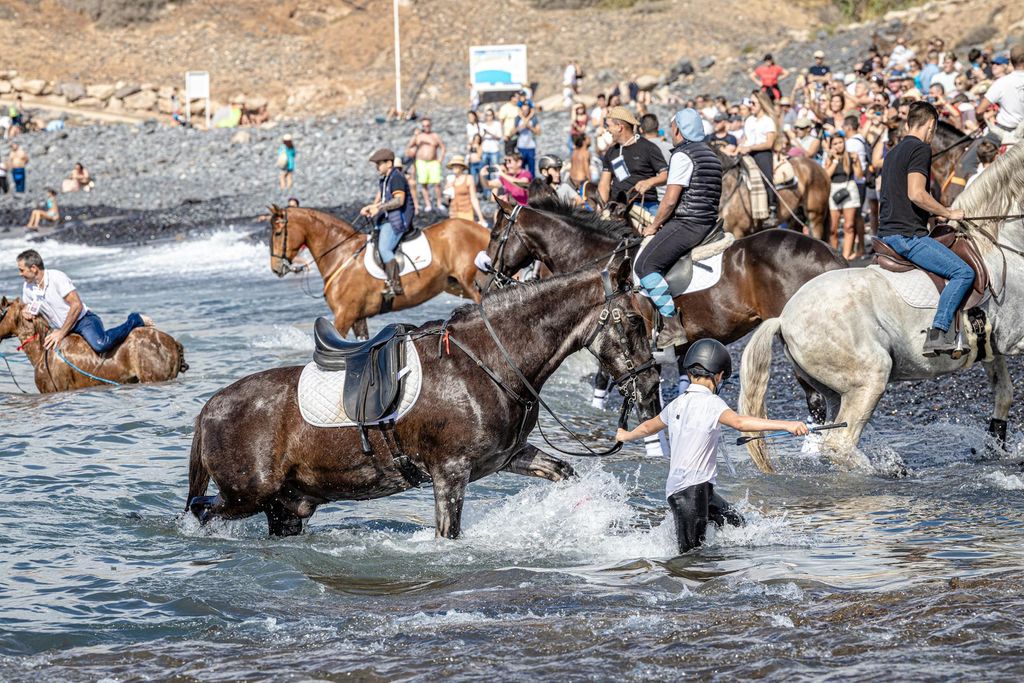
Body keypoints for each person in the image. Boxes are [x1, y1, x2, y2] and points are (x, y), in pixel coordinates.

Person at [616, 339, 807, 555]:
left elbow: (649, 426)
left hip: (696, 490)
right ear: (718, 376)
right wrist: (788, 425)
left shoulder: (677, 403)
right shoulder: (711, 403)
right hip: (691, 493)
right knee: (691, 560)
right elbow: (740, 423)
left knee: (737, 525)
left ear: (690, 373)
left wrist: (626, 435)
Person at [877, 101, 968, 357]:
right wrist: (948, 212)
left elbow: (899, 197)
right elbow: (916, 194)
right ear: (931, 126)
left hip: (886, 232)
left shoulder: (893, 151)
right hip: (907, 236)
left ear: (908, 124)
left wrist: (932, 214)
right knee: (962, 272)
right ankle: (938, 333)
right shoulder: (920, 148)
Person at [634, 109, 722, 336]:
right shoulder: (710, 154)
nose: (671, 132)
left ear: (679, 130)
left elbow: (671, 200)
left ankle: (671, 324)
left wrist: (654, 225)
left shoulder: (683, 155)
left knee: (644, 265)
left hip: (688, 222)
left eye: (673, 127)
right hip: (708, 221)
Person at [17, 249, 153, 354]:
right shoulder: (28, 287)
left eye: (21, 270)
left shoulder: (57, 278)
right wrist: (25, 311)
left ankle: (135, 320)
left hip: (83, 321)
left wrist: (61, 333)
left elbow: (76, 305)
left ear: (33, 268)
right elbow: (27, 306)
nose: (20, 274)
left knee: (101, 345)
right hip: (60, 328)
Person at [359, 148, 415, 296]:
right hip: (388, 218)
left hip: (398, 220)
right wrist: (372, 207)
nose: (377, 167)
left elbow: (399, 200)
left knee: (384, 249)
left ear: (389, 163)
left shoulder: (396, 177)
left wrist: (378, 208)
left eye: (379, 163)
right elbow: (384, 200)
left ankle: (395, 285)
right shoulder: (385, 179)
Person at [597, 106, 668, 214]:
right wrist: (600, 206)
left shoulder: (648, 148)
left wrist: (650, 182)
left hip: (646, 205)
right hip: (618, 207)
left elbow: (665, 175)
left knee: (655, 229)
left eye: (609, 126)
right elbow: (604, 184)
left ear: (619, 127)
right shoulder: (611, 151)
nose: (607, 129)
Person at [737, 92, 779, 224]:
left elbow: (769, 143)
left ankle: (772, 209)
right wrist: (738, 148)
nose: (751, 106)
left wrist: (750, 148)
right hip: (747, 152)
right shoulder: (749, 120)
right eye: (750, 103)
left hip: (762, 153)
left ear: (762, 103)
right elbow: (745, 138)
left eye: (753, 103)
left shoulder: (768, 121)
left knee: (766, 177)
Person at [824, 134, 864, 259]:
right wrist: (835, 160)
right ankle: (834, 256)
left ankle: (846, 256)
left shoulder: (851, 156)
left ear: (844, 142)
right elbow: (826, 175)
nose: (838, 145)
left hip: (849, 189)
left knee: (849, 226)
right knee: (832, 228)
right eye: (835, 143)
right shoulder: (829, 158)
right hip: (834, 189)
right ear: (831, 146)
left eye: (840, 142)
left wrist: (857, 161)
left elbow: (859, 175)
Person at [976, 44, 1024, 145]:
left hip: (1003, 132)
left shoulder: (1001, 82)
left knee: (966, 161)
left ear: (1011, 61)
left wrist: (981, 121)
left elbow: (980, 110)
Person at [407, 118, 446, 212]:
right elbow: (410, 146)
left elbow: (443, 147)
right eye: (424, 126)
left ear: (430, 125)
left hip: (433, 161)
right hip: (421, 162)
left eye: (427, 125)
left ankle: (439, 203)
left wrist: (440, 159)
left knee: (437, 183)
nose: (426, 127)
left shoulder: (434, 135)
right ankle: (428, 204)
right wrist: (414, 136)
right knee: (424, 183)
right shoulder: (419, 136)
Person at [444, 155, 485, 223]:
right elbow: (447, 200)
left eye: (457, 165)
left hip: (466, 212)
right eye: (453, 165)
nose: (455, 167)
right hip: (454, 212)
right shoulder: (450, 180)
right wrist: (447, 187)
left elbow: (474, 198)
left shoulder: (468, 178)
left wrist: (481, 218)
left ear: (462, 167)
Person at [514, 103, 541, 176]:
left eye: (527, 110)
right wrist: (523, 123)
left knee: (531, 169)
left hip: (531, 147)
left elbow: (538, 132)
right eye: (523, 110)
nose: (525, 112)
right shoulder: (518, 118)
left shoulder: (534, 119)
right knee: (521, 168)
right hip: (521, 147)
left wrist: (530, 127)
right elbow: (513, 131)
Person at [479, 108, 503, 182]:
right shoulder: (482, 125)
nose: (488, 117)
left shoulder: (497, 124)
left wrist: (489, 133)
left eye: (490, 115)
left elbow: (499, 137)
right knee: (485, 170)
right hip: (485, 150)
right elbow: (480, 138)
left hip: (494, 150)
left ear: (493, 116)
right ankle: (487, 190)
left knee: (495, 170)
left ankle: (496, 188)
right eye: (487, 115)